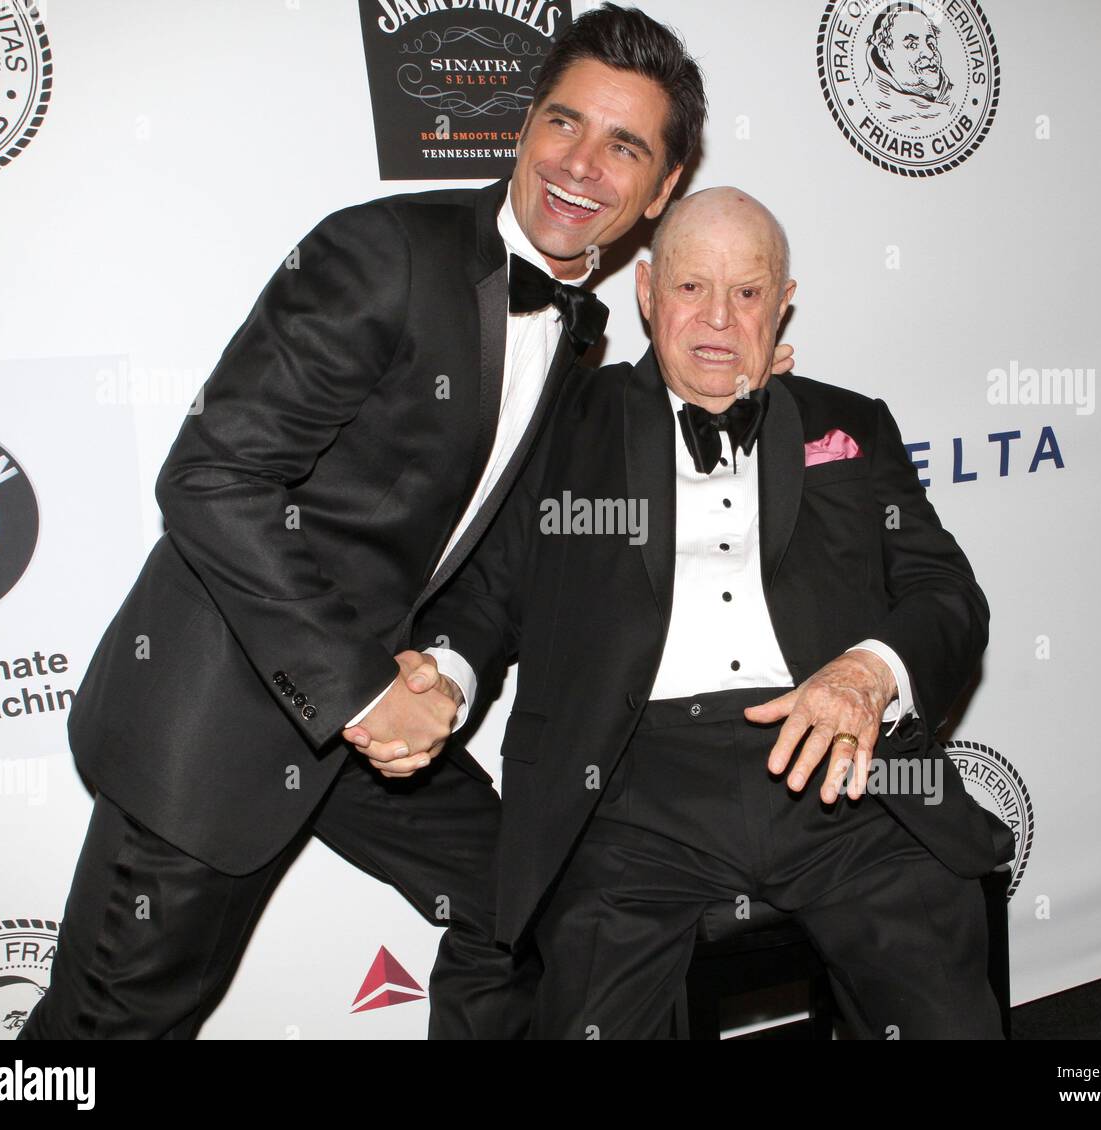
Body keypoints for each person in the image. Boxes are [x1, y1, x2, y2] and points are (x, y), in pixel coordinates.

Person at [22, 4, 748, 1040]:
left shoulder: (575, 338)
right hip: (222, 709)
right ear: (524, 124)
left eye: (624, 145)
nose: (580, 163)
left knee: (533, 909)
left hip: (380, 722)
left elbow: (488, 555)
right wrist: (365, 692)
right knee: (108, 1030)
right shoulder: (385, 252)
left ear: (661, 188)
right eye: (562, 122)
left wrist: (446, 675)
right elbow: (212, 477)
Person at [408, 186, 1015, 1039]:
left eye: (749, 292)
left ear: (784, 301)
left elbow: (947, 595)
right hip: (627, 790)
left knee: (945, 1015)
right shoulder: (566, 425)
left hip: (840, 766)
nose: (720, 320)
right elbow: (488, 593)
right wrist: (445, 676)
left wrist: (869, 672)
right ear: (648, 293)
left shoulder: (851, 423)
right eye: (693, 288)